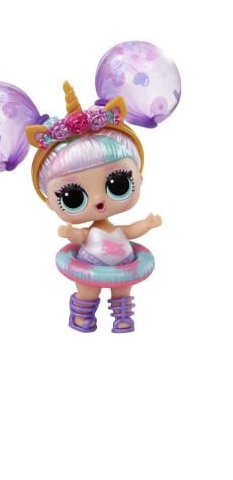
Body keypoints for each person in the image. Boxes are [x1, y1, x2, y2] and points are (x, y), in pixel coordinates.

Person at [26, 82, 160, 332]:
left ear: (139, 178)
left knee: (123, 291)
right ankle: (82, 316)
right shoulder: (91, 233)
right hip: (88, 265)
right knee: (87, 291)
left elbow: (131, 230)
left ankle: (122, 317)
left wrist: (147, 224)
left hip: (124, 264)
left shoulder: (115, 230)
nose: (99, 200)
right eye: (72, 197)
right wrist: (72, 233)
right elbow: (82, 236)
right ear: (50, 202)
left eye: (118, 183)